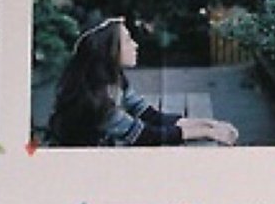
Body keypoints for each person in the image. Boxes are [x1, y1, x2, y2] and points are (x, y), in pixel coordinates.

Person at [46, 17, 239, 147]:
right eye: (128, 41)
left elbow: (150, 115)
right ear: (109, 50)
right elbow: (144, 135)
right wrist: (206, 132)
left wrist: (208, 124)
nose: (135, 45)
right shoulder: (94, 99)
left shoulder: (113, 79)